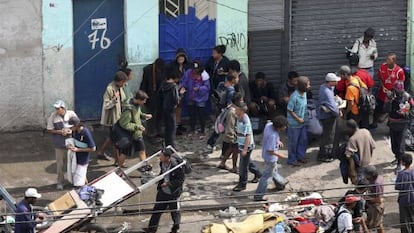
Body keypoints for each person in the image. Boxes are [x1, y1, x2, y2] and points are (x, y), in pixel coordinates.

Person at [146, 148, 185, 233]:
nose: (160, 157)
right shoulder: (162, 163)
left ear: (167, 157)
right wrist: (159, 180)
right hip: (163, 192)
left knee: (174, 212)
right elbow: (163, 173)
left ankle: (175, 229)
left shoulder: (176, 166)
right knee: (157, 210)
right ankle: (152, 229)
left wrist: (168, 184)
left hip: (173, 193)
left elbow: (180, 180)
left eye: (161, 156)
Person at [254, 116, 289, 201]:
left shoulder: (269, 125)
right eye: (284, 126)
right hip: (271, 158)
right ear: (279, 127)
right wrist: (281, 156)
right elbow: (270, 150)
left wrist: (278, 141)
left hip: (265, 155)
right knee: (266, 176)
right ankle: (259, 195)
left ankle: (281, 183)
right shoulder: (273, 135)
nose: (285, 127)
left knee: (273, 171)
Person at [46, 100, 78, 190]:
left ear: (63, 108)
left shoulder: (71, 114)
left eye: (58, 108)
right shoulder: (53, 116)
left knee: (73, 163)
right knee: (60, 165)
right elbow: (49, 129)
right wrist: (60, 132)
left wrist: (70, 130)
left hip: (71, 143)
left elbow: (77, 125)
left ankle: (74, 180)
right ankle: (60, 182)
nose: (56, 110)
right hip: (59, 144)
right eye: (56, 108)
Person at [98, 71, 128, 163]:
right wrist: (114, 100)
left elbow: (123, 99)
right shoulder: (109, 89)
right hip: (111, 119)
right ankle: (117, 160)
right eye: (123, 82)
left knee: (112, 138)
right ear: (118, 81)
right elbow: (106, 105)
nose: (124, 84)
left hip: (118, 117)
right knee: (115, 140)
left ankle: (101, 152)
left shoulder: (120, 88)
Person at [118, 90, 153, 169]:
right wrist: (137, 127)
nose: (144, 103)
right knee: (125, 153)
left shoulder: (137, 106)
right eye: (143, 101)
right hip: (130, 135)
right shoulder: (128, 109)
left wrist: (144, 116)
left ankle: (145, 169)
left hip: (137, 134)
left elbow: (138, 114)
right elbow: (124, 124)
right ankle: (118, 170)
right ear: (138, 100)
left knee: (142, 150)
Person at [232, 102, 262, 192]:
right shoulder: (239, 118)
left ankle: (242, 184)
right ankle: (258, 173)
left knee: (243, 166)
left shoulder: (245, 120)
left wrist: (245, 149)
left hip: (246, 146)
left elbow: (248, 136)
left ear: (241, 110)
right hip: (241, 144)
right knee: (247, 162)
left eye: (236, 109)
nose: (235, 110)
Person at [386, 81, 414, 170]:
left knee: (400, 145)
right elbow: (385, 109)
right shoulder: (391, 96)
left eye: (399, 90)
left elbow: (412, 111)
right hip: (392, 123)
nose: (397, 92)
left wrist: (404, 114)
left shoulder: (407, 97)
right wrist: (389, 100)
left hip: (402, 124)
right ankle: (397, 157)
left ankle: (399, 163)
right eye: (396, 90)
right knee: (394, 144)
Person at [373, 52, 405, 128]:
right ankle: (374, 123)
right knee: (377, 110)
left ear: (394, 61)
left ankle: (390, 125)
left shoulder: (399, 71)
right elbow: (379, 78)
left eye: (389, 59)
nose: (386, 60)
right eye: (386, 59)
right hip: (382, 93)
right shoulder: (382, 67)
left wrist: (392, 92)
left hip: (392, 96)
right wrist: (382, 86)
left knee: (392, 111)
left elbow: (401, 85)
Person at [181, 61, 210, 139]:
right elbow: (184, 81)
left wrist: (199, 88)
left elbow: (207, 87)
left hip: (201, 98)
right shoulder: (188, 73)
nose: (194, 73)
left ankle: (203, 131)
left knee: (201, 114)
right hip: (190, 96)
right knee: (191, 114)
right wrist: (183, 87)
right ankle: (192, 129)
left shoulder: (205, 76)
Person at [317, 73, 342, 162]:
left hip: (325, 115)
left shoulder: (324, 87)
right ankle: (324, 155)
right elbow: (333, 108)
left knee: (327, 135)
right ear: (330, 82)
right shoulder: (327, 92)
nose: (337, 83)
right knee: (328, 136)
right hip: (328, 117)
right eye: (335, 81)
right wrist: (338, 112)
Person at [217, 93, 243, 173]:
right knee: (235, 150)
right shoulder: (232, 112)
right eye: (241, 100)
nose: (242, 101)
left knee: (231, 149)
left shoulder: (231, 108)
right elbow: (230, 126)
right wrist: (231, 137)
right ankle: (234, 167)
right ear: (237, 101)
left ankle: (222, 163)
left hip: (232, 133)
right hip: (233, 134)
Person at [140, 58, 166, 138]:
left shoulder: (164, 69)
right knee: (151, 115)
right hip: (151, 96)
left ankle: (159, 130)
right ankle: (151, 132)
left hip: (160, 96)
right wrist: (143, 96)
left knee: (160, 114)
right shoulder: (148, 70)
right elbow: (144, 84)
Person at [67, 116, 96, 187]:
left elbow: (93, 148)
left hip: (83, 159)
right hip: (75, 158)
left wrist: (78, 150)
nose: (70, 128)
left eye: (71, 127)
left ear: (76, 125)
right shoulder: (75, 132)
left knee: (78, 182)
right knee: (76, 175)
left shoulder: (86, 133)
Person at [287, 76, 309, 167]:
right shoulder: (294, 96)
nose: (309, 86)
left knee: (303, 140)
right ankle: (292, 159)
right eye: (308, 85)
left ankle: (300, 156)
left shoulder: (304, 94)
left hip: (303, 123)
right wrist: (298, 119)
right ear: (302, 86)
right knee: (293, 142)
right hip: (294, 125)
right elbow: (290, 110)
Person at [344, 119, 375, 184]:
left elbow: (349, 156)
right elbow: (373, 146)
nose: (346, 130)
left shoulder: (352, 139)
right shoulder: (366, 131)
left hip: (360, 167)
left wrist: (353, 173)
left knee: (360, 186)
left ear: (350, 128)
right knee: (368, 183)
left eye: (347, 129)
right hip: (369, 163)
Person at [159, 67, 184, 148]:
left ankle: (167, 144)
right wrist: (181, 93)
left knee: (167, 127)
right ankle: (172, 145)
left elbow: (159, 96)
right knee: (172, 128)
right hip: (171, 109)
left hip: (164, 108)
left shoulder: (163, 84)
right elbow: (176, 99)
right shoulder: (173, 86)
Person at [169, 48, 190, 135]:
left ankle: (179, 123)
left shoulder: (186, 66)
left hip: (183, 90)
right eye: (179, 57)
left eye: (182, 57)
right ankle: (175, 126)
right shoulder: (172, 67)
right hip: (175, 90)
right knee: (175, 108)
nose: (181, 59)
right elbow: (169, 79)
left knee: (180, 108)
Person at [395, 153, 414, 233]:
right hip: (413, 198)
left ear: (403, 163)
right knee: (412, 217)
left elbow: (397, 187)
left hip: (404, 199)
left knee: (404, 219)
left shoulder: (401, 174)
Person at [364, 165, 385, 233]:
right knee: (378, 224)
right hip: (373, 204)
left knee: (373, 225)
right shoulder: (378, 178)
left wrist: (367, 198)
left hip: (376, 206)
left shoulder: (376, 184)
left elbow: (379, 199)